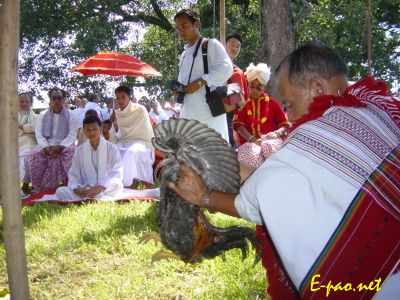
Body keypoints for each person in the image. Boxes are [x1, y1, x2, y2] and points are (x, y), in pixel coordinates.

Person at [168, 42, 400, 299]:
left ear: (317, 89)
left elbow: (262, 195)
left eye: (288, 104)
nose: (289, 114)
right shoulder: (379, 108)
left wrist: (204, 197)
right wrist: (221, 159)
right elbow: (286, 172)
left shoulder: (314, 134)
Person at [174, 9, 233, 141]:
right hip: (188, 112)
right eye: (178, 28)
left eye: (184, 26)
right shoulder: (183, 55)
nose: (180, 31)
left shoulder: (210, 44)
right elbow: (183, 81)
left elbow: (226, 68)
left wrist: (202, 81)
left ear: (197, 24)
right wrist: (178, 90)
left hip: (209, 113)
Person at [233, 63, 289, 168]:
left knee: (269, 147)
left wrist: (276, 134)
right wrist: (253, 140)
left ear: (264, 87)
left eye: (259, 87)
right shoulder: (242, 103)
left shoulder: (272, 103)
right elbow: (238, 125)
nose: (254, 90)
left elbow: (284, 125)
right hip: (249, 143)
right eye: (252, 86)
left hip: (271, 140)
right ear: (247, 85)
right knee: (251, 158)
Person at [56, 115, 123, 201]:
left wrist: (100, 187)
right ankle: (92, 197)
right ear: (84, 131)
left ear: (101, 128)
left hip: (104, 188)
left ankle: (93, 196)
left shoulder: (111, 148)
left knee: (117, 186)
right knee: (60, 191)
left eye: (94, 129)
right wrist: (77, 189)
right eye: (88, 130)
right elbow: (74, 173)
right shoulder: (80, 150)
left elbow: (117, 173)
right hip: (85, 188)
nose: (92, 133)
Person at [29, 87, 79, 192]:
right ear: (50, 99)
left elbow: (72, 134)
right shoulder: (42, 115)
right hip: (46, 144)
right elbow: (39, 134)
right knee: (35, 154)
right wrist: (46, 147)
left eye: (59, 98)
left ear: (63, 99)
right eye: (54, 98)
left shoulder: (71, 115)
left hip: (65, 144)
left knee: (72, 152)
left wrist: (61, 146)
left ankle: (69, 184)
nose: (57, 101)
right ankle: (41, 186)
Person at [110, 85, 154, 188]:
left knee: (130, 152)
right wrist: (115, 124)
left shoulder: (140, 110)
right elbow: (116, 137)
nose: (120, 101)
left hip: (141, 143)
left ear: (130, 97)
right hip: (123, 143)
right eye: (117, 98)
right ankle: (112, 183)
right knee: (112, 151)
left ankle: (128, 184)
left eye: (123, 97)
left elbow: (143, 133)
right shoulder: (116, 114)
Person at [225, 33, 249, 147]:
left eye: (238, 46)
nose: (235, 48)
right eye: (232, 44)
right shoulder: (211, 65)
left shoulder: (237, 72)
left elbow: (238, 102)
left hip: (224, 117)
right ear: (224, 45)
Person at [18, 92, 38, 195]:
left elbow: (36, 127)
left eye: (27, 101)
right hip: (12, 142)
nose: (24, 103)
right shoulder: (11, 115)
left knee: (25, 155)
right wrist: (25, 128)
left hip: (30, 141)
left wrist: (22, 127)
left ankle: (25, 184)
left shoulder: (36, 116)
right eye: (21, 101)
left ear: (31, 103)